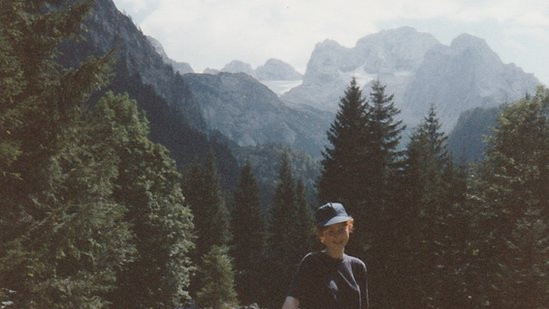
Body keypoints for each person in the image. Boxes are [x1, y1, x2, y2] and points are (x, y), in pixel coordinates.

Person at [281, 202, 369, 309]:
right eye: (331, 231)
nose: (337, 236)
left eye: (341, 229)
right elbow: (292, 302)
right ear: (321, 235)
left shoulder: (358, 267)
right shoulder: (311, 262)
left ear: (349, 228)